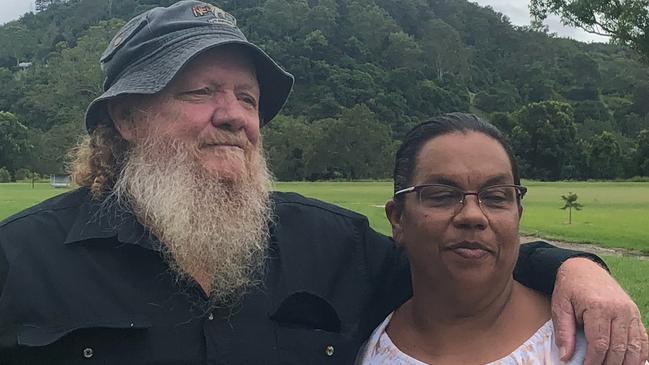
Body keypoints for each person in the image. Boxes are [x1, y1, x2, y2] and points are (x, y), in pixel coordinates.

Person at [0, 1, 646, 364]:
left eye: (248, 98)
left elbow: (456, 250)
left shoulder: (331, 244)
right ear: (127, 116)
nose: (233, 114)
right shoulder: (20, 260)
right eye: (200, 92)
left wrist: (573, 267)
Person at [355, 113, 648, 365]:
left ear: (518, 214)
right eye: (443, 196)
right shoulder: (361, 343)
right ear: (398, 219)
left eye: (495, 197)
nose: (473, 215)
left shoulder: (591, 349)